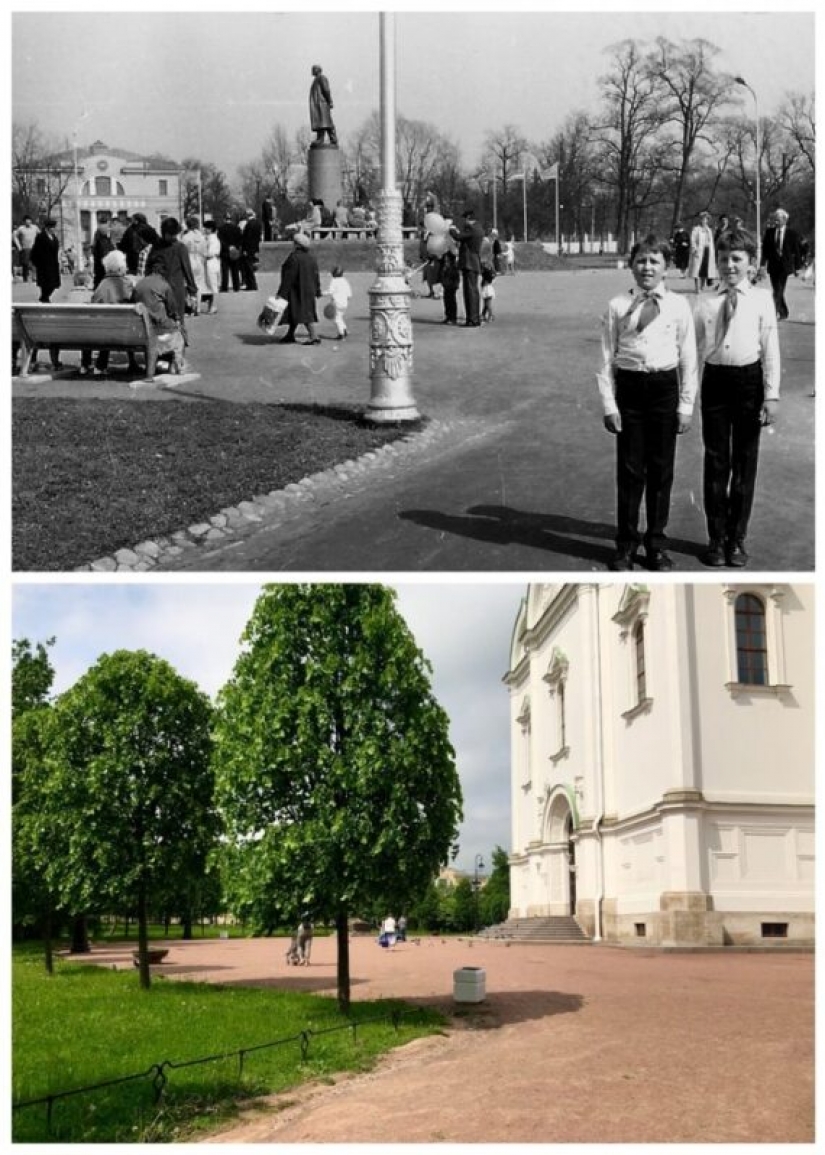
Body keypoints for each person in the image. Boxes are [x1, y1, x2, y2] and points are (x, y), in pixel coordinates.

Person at [597, 234, 698, 572]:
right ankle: (625, 544)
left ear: (666, 267)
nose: (647, 267)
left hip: (664, 389)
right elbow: (605, 358)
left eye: (655, 261)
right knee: (629, 471)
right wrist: (610, 404)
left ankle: (656, 543)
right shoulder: (617, 306)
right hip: (629, 389)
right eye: (641, 260)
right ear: (631, 266)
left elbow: (688, 358)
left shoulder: (679, 305)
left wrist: (686, 405)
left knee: (661, 470)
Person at [694, 229, 780, 568]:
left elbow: (770, 348)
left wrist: (771, 395)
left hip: (749, 382)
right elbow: (692, 348)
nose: (729, 265)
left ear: (750, 263)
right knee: (716, 462)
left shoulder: (761, 299)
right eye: (724, 258)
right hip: (715, 381)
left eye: (736, 259)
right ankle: (715, 537)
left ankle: (736, 538)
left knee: (745, 462)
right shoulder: (705, 301)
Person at [78, 249, 141, 378]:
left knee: (96, 327)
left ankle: (85, 365)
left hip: (99, 328)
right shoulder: (127, 284)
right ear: (119, 268)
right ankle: (103, 365)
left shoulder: (101, 285)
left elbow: (94, 304)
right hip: (121, 328)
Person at [145, 217, 197, 347]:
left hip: (175, 289)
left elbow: (187, 270)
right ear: (164, 232)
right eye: (170, 234)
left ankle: (180, 342)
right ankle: (164, 345)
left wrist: (192, 290)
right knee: (161, 318)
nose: (173, 237)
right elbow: (148, 266)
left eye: (175, 234)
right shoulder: (157, 247)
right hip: (159, 288)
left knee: (178, 317)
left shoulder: (181, 248)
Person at [133, 263, 187, 377]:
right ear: (163, 274)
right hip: (158, 327)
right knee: (181, 334)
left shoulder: (139, 284)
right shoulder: (164, 285)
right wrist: (177, 319)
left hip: (140, 328)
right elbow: (172, 309)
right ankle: (175, 365)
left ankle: (159, 361)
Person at [276, 232, 321, 345]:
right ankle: (290, 334)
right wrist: (317, 289)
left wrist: (281, 292)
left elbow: (289, 277)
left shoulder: (294, 257)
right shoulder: (311, 257)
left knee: (304, 313)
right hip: (309, 288)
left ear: (297, 244)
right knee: (295, 312)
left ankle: (314, 336)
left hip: (297, 290)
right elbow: (316, 275)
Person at [759, 208, 803, 321]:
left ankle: (773, 312)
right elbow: (765, 250)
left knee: (778, 289)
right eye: (775, 220)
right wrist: (762, 265)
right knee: (777, 289)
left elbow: (797, 251)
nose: (776, 222)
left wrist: (798, 267)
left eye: (778, 220)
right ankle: (784, 312)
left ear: (785, 220)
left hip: (785, 266)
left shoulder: (792, 234)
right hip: (773, 265)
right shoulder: (769, 232)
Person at [450, 207, 484, 327]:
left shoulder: (471, 228)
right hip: (474, 262)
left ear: (468, 218)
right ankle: (474, 317)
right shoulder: (479, 228)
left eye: (465, 219)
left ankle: (472, 319)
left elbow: (458, 237)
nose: (464, 222)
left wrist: (452, 229)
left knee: (470, 292)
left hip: (468, 262)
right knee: (473, 291)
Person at [30, 217, 62, 303]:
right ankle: (45, 299)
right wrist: (37, 263)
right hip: (44, 264)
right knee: (46, 284)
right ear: (48, 228)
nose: (54, 229)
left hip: (53, 264)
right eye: (52, 227)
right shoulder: (41, 237)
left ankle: (44, 297)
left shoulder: (54, 237)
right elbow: (35, 251)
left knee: (53, 284)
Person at [181, 216, 206, 315]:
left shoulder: (186, 237)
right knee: (198, 285)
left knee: (188, 284)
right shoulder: (201, 237)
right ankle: (198, 308)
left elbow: (182, 250)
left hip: (189, 260)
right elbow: (204, 251)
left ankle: (190, 306)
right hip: (199, 260)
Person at [688, 211, 717, 292]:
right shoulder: (696, 229)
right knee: (697, 269)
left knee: (705, 269)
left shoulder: (709, 230)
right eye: (702, 219)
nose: (703, 220)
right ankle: (697, 287)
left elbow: (711, 242)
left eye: (705, 219)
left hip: (708, 251)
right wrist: (694, 248)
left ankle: (702, 286)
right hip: (699, 251)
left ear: (707, 220)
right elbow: (692, 240)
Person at [309, 64, 337, 145]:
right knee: (324, 121)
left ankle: (329, 138)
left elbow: (326, 90)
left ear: (318, 70)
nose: (312, 71)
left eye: (313, 69)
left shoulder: (322, 78)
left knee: (325, 121)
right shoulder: (316, 80)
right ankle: (325, 138)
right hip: (319, 105)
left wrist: (330, 100)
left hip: (322, 104)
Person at [326, 264, 352, 339]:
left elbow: (330, 291)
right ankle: (344, 330)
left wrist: (321, 293)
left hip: (337, 303)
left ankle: (341, 334)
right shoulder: (345, 281)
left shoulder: (334, 281)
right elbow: (349, 294)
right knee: (340, 316)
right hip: (345, 303)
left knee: (336, 319)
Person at [90, 215, 115, 290]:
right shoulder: (105, 238)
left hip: (98, 263)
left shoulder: (97, 234)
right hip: (104, 262)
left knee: (98, 278)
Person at [239, 208, 262, 291]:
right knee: (251, 266)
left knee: (248, 268)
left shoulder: (249, 224)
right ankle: (251, 285)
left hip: (248, 249)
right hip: (255, 248)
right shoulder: (258, 223)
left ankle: (252, 285)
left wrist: (244, 249)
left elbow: (247, 238)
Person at [14, 215, 39, 282]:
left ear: (31, 221)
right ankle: (25, 278)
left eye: (29, 220)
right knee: (25, 264)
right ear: (24, 222)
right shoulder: (21, 228)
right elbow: (15, 236)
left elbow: (40, 235)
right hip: (25, 248)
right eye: (26, 221)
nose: (28, 222)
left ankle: (34, 277)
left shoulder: (35, 227)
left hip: (34, 248)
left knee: (35, 263)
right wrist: (19, 246)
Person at [440, 250, 460, 324]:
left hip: (451, 286)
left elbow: (456, 278)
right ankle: (448, 316)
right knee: (446, 301)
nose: (446, 262)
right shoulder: (444, 267)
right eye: (445, 260)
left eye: (447, 260)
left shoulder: (454, 268)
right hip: (446, 286)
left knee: (451, 302)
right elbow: (442, 276)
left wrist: (455, 285)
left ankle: (453, 317)